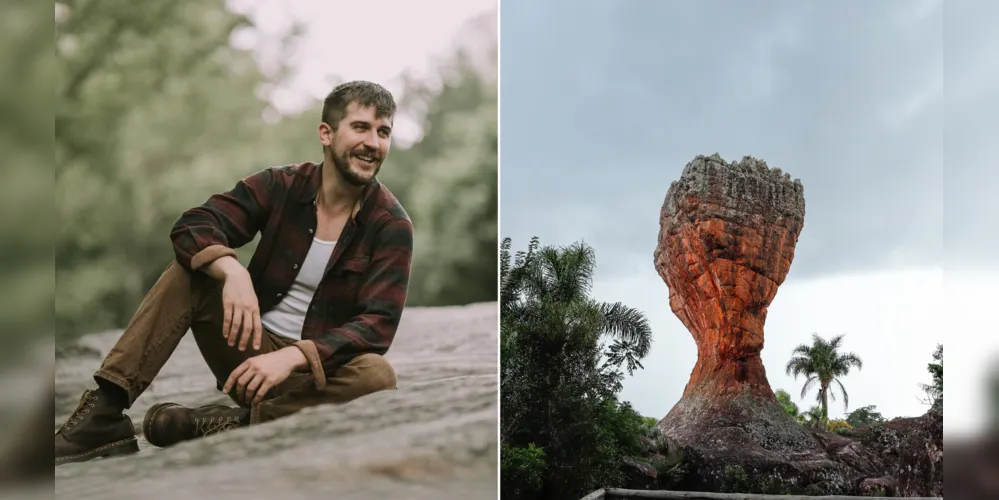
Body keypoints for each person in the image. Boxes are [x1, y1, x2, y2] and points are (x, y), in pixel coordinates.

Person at [55, 81, 414, 465]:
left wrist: (293, 357)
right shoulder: (282, 186)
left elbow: (377, 325)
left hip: (314, 377)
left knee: (377, 376)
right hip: (246, 357)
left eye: (383, 132)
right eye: (361, 127)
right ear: (326, 133)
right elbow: (194, 224)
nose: (373, 143)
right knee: (190, 272)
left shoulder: (390, 225)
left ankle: (225, 424)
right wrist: (231, 271)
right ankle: (104, 416)